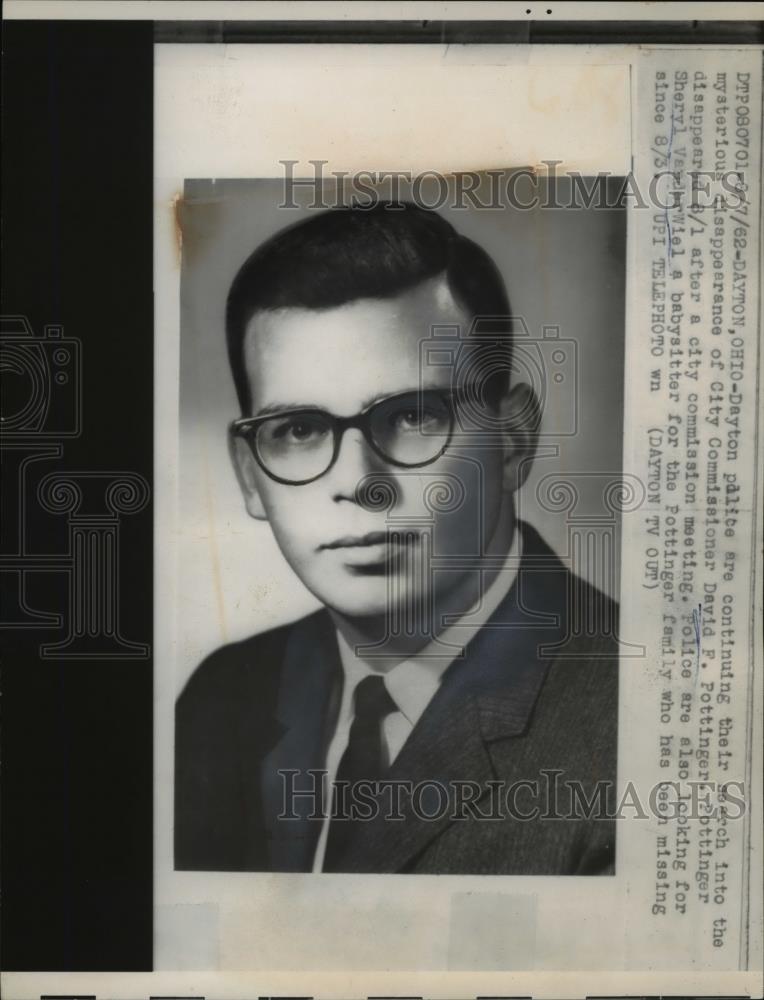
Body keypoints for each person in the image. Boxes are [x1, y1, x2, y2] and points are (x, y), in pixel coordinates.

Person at [175, 202, 618, 875]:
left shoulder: (636, 725)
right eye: (297, 430)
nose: (360, 483)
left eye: (412, 416)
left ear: (513, 441)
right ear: (248, 475)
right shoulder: (221, 699)